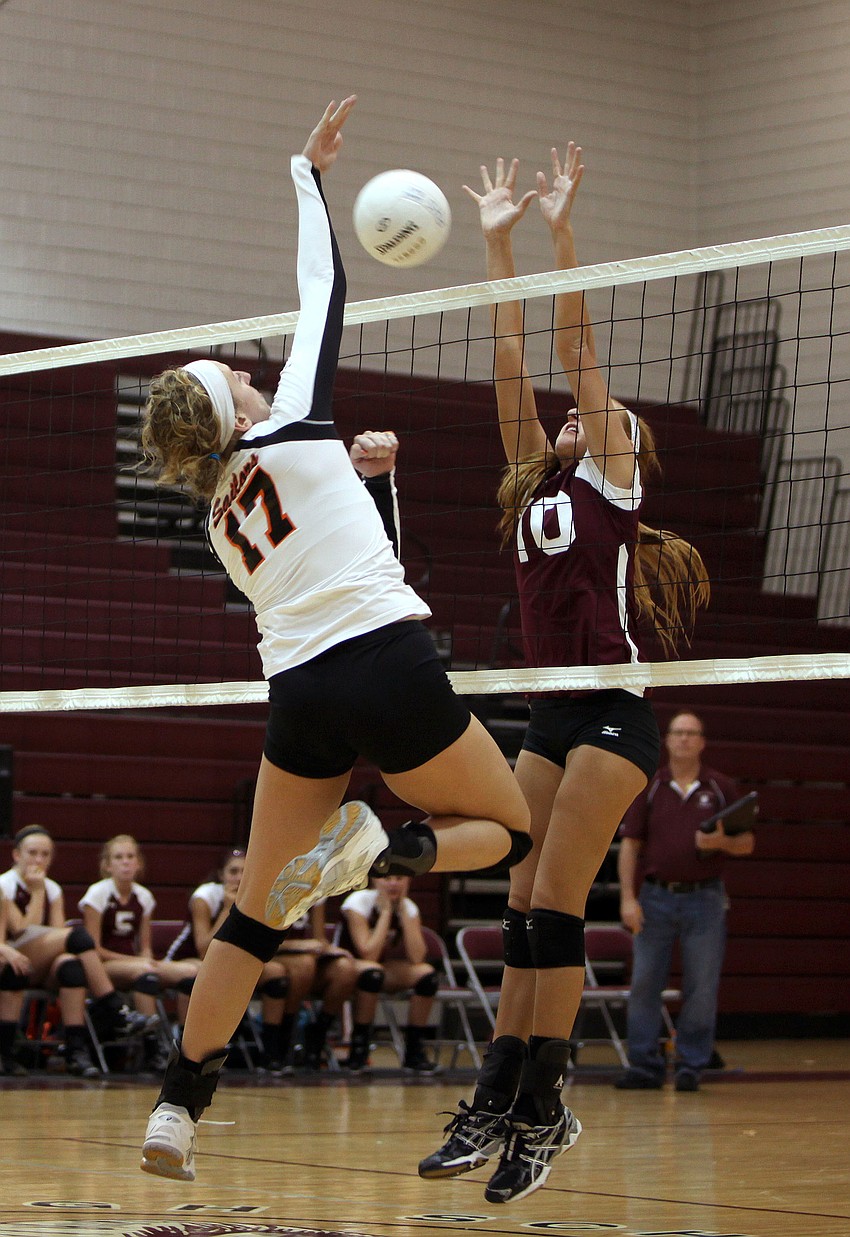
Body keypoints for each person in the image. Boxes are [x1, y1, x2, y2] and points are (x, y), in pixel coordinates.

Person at [138, 96, 530, 1182]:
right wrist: (306, 175)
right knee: (505, 828)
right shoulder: (290, 425)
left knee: (254, 917)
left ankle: (176, 1108)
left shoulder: (220, 510)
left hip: (300, 692)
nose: (246, 369)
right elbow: (326, 288)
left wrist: (374, 484)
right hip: (387, 662)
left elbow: (338, 545)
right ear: (228, 410)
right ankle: (392, 848)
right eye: (232, 375)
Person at [418, 147, 709, 1203]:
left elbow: (579, 345)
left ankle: (538, 1102)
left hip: (614, 712)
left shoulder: (611, 486)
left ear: (626, 446)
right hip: (547, 712)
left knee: (550, 898)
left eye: (609, 413)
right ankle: (510, 1096)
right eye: (587, 410)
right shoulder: (535, 479)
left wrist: (560, 232)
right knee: (521, 904)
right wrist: (495, 240)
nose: (591, 409)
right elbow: (510, 354)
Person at [615, 710, 754, 1092]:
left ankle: (692, 1065)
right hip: (655, 897)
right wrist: (628, 897)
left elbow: (747, 842)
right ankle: (644, 1065)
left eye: (692, 733)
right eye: (678, 732)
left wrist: (721, 842)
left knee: (702, 985)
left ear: (702, 742)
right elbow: (629, 846)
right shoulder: (651, 786)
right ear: (667, 740)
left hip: (705, 899)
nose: (684, 739)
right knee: (644, 982)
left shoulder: (721, 786)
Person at [0, 825, 148, 1078]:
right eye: (33, 853)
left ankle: (75, 1052)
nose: (39, 860)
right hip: (12, 954)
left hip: (40, 960)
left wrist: (43, 891)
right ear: (16, 855)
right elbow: (24, 929)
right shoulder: (6, 885)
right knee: (78, 936)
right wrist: (36, 892)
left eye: (45, 854)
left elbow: (56, 932)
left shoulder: (53, 888)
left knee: (72, 967)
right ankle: (113, 1008)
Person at [79, 835, 200, 1072]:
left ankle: (188, 1047)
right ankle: (153, 1048)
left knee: (191, 972)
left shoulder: (144, 896)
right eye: (119, 857)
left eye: (130, 857)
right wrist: (139, 961)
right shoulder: (97, 894)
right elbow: (93, 949)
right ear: (107, 865)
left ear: (139, 863)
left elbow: (144, 945)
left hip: (134, 964)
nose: (125, 862)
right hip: (104, 966)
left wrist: (144, 958)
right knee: (146, 973)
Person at [166, 848, 292, 1072]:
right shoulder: (205, 897)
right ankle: (190, 1058)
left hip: (233, 962)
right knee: (199, 975)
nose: (239, 877)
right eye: (233, 871)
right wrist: (228, 908)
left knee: (277, 974)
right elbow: (204, 950)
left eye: (245, 871)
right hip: (191, 960)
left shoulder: (260, 895)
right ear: (221, 875)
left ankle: (271, 1051)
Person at [339, 873, 439, 1074]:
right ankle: (358, 1050)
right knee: (372, 973)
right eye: (387, 878)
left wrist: (405, 914)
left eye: (400, 878)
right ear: (374, 880)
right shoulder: (358, 901)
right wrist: (385, 913)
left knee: (427, 974)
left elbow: (417, 957)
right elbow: (369, 953)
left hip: (379, 967)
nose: (393, 883)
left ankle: (414, 1051)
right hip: (347, 968)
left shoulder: (408, 907)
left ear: (408, 881)